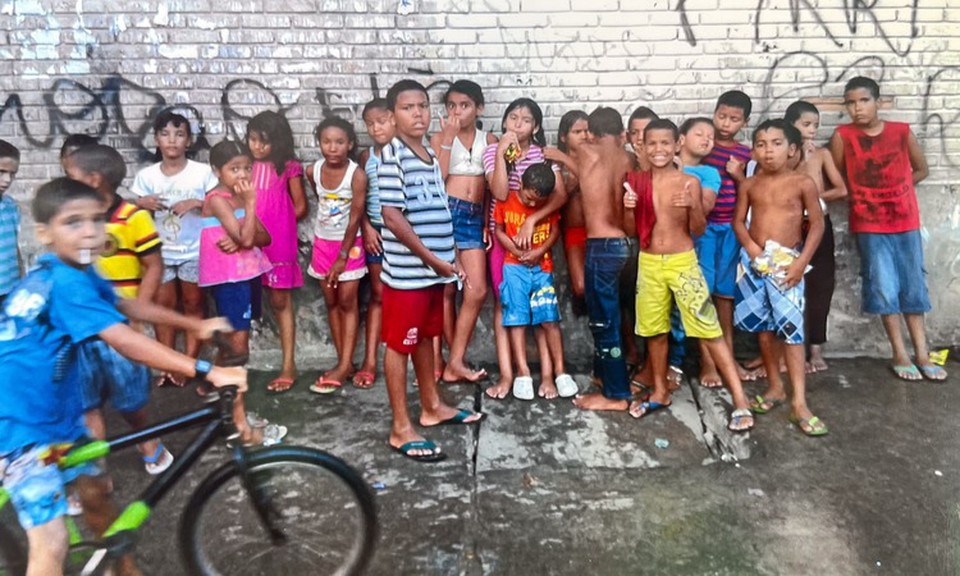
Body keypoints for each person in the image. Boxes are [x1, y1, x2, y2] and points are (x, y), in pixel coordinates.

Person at [0, 177, 248, 576]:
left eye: (96, 221)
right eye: (72, 222)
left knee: (96, 494)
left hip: (54, 415)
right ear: (44, 233)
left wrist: (192, 324)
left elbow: (124, 305)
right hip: (20, 431)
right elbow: (123, 340)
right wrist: (208, 369)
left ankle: (125, 570)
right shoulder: (63, 283)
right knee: (51, 545)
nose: (88, 232)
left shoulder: (76, 270)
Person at [623, 119, 754, 431]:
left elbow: (698, 229)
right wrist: (629, 207)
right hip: (650, 263)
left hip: (683, 262)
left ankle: (741, 401)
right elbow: (631, 231)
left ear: (677, 145)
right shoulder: (635, 182)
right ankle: (659, 391)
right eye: (651, 143)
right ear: (641, 145)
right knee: (655, 332)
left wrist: (693, 206)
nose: (658, 150)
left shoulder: (689, 182)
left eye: (665, 143)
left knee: (709, 330)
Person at [377, 80, 484, 462]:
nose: (418, 113)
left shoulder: (423, 152)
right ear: (393, 116)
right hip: (409, 276)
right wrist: (433, 260)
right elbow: (392, 217)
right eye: (408, 108)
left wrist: (445, 261)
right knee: (399, 345)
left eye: (422, 105)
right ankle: (400, 427)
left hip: (432, 273)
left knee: (424, 340)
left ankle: (432, 406)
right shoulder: (392, 156)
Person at [63, 144, 173, 474]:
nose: (67, 182)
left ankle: (148, 443)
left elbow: (153, 265)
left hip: (121, 323)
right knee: (87, 404)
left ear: (95, 180)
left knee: (132, 397)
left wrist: (140, 309)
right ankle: (96, 471)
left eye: (72, 176)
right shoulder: (70, 220)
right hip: (81, 328)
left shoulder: (133, 218)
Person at [828, 76, 946, 382]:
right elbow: (837, 177)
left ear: (878, 101)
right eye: (851, 103)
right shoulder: (843, 136)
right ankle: (899, 353)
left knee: (913, 284)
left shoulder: (901, 132)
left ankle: (922, 352)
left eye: (864, 100)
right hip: (869, 223)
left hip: (905, 219)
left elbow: (922, 169)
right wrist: (862, 197)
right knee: (883, 285)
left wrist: (900, 189)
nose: (857, 108)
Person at [733, 119, 827, 436]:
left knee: (791, 331)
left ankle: (799, 402)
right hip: (755, 262)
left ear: (792, 149)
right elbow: (738, 223)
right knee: (763, 328)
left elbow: (817, 224)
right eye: (761, 144)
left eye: (775, 144)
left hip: (787, 264)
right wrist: (750, 248)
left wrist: (801, 263)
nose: (768, 151)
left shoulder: (802, 183)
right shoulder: (750, 184)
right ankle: (775, 387)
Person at [482, 97, 566, 399]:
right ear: (505, 122)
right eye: (513, 118)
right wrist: (505, 154)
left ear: (536, 126)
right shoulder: (494, 151)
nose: (518, 124)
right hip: (505, 243)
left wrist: (533, 222)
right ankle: (510, 374)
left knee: (542, 311)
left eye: (526, 120)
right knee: (505, 305)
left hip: (539, 241)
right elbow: (500, 192)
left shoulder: (544, 156)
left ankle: (549, 375)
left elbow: (559, 197)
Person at [131, 111, 219, 387]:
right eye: (166, 134)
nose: (172, 140)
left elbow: (222, 207)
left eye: (179, 134)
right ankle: (167, 365)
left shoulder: (202, 173)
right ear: (156, 139)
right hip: (160, 254)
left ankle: (189, 364)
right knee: (164, 308)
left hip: (195, 251)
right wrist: (140, 204)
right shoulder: (146, 176)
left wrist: (197, 203)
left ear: (189, 141)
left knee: (194, 304)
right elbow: (130, 213)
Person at [430, 80, 496, 384]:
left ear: (478, 108)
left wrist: (486, 221)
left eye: (465, 105)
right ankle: (440, 360)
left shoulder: (489, 138)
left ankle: (455, 360)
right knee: (444, 290)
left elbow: (491, 188)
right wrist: (448, 138)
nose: (458, 111)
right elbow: (438, 177)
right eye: (452, 105)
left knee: (477, 290)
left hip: (473, 217)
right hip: (447, 214)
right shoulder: (439, 138)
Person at [570, 107, 635, 412]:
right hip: (625, 244)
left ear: (592, 134)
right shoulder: (628, 158)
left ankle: (616, 394)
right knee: (613, 316)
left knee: (603, 321)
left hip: (601, 245)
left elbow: (580, 171)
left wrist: (558, 157)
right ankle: (603, 376)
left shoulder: (586, 151)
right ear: (621, 133)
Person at [495, 163, 578, 400]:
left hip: (543, 269)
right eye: (529, 198)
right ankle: (522, 373)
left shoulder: (547, 205)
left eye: (537, 202)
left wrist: (539, 251)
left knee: (549, 320)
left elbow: (554, 232)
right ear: (521, 183)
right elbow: (499, 230)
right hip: (513, 268)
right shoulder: (506, 200)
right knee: (516, 320)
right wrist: (516, 251)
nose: (532, 205)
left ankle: (558, 372)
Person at [198, 141, 273, 375]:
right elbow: (250, 240)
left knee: (236, 341)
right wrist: (250, 206)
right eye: (234, 169)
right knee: (240, 349)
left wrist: (240, 237)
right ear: (216, 171)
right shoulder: (217, 199)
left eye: (247, 168)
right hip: (229, 280)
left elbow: (264, 237)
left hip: (247, 275)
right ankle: (219, 387)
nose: (243, 174)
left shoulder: (240, 197)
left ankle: (215, 387)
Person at [305, 116, 368, 394]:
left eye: (340, 142)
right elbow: (320, 202)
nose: (332, 148)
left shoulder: (356, 175)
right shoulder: (313, 171)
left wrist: (343, 255)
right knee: (331, 301)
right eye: (326, 141)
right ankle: (344, 362)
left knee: (347, 301)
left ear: (350, 144)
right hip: (322, 244)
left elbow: (355, 218)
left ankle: (343, 365)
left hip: (349, 245)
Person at [247, 111, 308, 393]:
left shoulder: (288, 167)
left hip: (278, 241)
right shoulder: (244, 166)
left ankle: (288, 364)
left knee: (280, 301)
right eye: (252, 140)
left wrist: (278, 222)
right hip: (248, 240)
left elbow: (300, 206)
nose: (257, 147)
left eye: (264, 142)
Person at [698, 90, 754, 388]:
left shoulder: (745, 155)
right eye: (722, 116)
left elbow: (754, 192)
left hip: (732, 230)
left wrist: (739, 175)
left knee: (725, 297)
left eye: (734, 119)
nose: (725, 123)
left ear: (744, 122)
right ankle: (708, 364)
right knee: (702, 294)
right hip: (704, 230)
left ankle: (727, 359)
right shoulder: (704, 149)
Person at [355, 98, 393, 389]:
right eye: (371, 123)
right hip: (377, 234)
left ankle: (427, 361)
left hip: (406, 235)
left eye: (382, 120)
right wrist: (366, 228)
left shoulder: (410, 152)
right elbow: (360, 201)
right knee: (378, 295)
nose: (376, 127)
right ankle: (370, 361)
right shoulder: (367, 158)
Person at [544, 110, 589, 316]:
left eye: (587, 131)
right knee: (580, 286)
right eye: (577, 131)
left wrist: (564, 157)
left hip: (597, 231)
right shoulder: (556, 165)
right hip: (572, 231)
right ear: (564, 136)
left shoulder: (593, 160)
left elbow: (591, 182)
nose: (584, 136)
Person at [0, 139, 22, 308]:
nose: (7, 180)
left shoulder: (10, 206)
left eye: (12, 174)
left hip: (11, 292)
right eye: (1, 172)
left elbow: (15, 250)